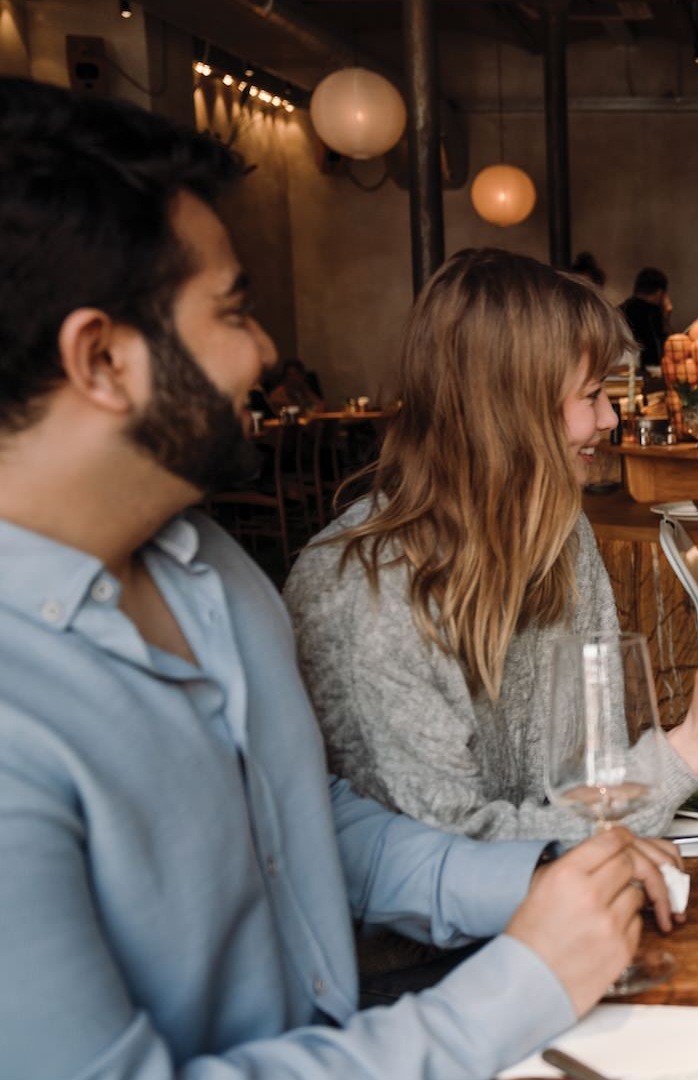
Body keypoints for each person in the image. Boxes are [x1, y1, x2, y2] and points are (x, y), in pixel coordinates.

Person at [0, 77, 662, 1076]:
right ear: (101, 358)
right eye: (233, 311)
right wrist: (520, 981)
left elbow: (310, 824)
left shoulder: (214, 575)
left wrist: (539, 873)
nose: (266, 353)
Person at [284, 247, 698, 842]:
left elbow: (594, 778)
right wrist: (694, 745)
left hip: (579, 895)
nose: (609, 420)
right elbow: (447, 863)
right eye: (593, 394)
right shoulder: (360, 594)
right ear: (512, 409)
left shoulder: (561, 534)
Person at [619, 266, 671, 373]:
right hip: (647, 372)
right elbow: (660, 347)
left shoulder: (621, 309)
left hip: (622, 371)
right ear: (660, 293)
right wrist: (667, 315)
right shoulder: (653, 311)